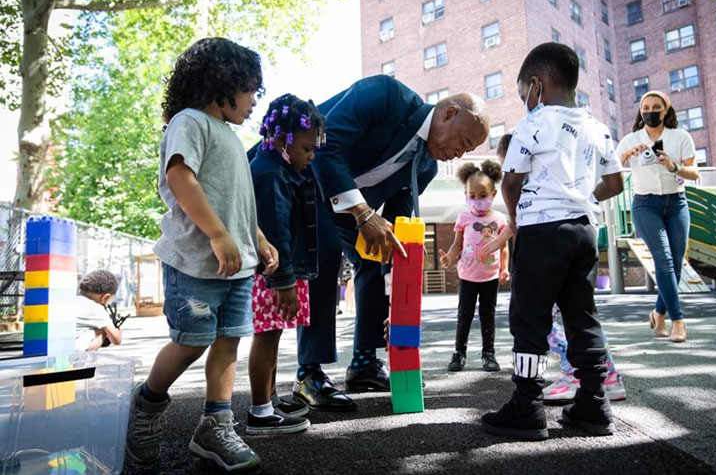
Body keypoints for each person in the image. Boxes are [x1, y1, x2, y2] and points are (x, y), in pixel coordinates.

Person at [287, 75, 489, 412]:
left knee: (376, 259)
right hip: (304, 182)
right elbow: (324, 144)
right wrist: (365, 214)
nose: (458, 153)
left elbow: (394, 230)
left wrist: (398, 295)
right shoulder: (386, 95)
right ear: (449, 113)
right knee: (323, 248)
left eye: (466, 151)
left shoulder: (425, 167)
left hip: (348, 206)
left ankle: (364, 364)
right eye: (462, 142)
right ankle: (309, 374)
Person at [126, 37, 279, 472]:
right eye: (249, 89)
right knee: (191, 343)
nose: (253, 101)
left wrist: (259, 239)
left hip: (236, 265)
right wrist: (216, 233)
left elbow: (237, 203)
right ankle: (148, 403)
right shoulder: (190, 121)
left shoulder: (230, 137)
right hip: (194, 263)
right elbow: (180, 177)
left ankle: (215, 423)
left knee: (229, 341)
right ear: (221, 82)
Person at [481, 43, 624, 441]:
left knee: (530, 319)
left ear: (536, 85)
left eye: (523, 90)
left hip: (542, 231)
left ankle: (527, 404)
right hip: (583, 231)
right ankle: (595, 404)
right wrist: (580, 197)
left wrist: (515, 217)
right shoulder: (599, 127)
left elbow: (510, 181)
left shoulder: (534, 121)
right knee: (582, 314)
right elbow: (614, 183)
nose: (524, 98)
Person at [480, 135, 627, 402]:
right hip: (579, 240)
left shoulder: (532, 189)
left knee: (548, 321)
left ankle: (573, 373)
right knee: (582, 318)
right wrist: (493, 246)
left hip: (547, 256)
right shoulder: (553, 184)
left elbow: (516, 222)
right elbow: (514, 227)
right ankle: (608, 376)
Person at [246, 94, 326, 435]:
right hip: (272, 275)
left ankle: (269, 400)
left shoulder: (274, 166)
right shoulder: (270, 175)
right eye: (307, 149)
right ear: (282, 139)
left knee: (273, 336)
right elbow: (275, 230)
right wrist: (284, 281)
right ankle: (260, 412)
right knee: (266, 336)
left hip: (278, 273)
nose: (311, 156)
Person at [616, 91, 698, 343]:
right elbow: (611, 166)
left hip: (677, 203)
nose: (650, 111)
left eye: (656, 107)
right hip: (645, 205)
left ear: (665, 110)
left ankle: (658, 313)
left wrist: (673, 166)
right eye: (645, 107)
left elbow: (694, 173)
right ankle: (678, 320)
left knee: (675, 263)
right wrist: (628, 154)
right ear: (640, 112)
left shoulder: (680, 137)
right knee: (663, 260)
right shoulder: (631, 139)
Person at [439, 160, 509, 373]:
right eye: (472, 196)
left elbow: (504, 247)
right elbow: (457, 244)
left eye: (482, 195)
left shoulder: (499, 218)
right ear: (466, 195)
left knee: (488, 315)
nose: (477, 200)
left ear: (493, 194)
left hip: (490, 277)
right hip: (468, 276)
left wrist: (504, 268)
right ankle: (459, 353)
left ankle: (489, 354)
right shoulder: (464, 218)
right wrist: (449, 258)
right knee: (465, 315)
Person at [74, 269, 122, 352]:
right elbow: (116, 340)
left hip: (57, 347)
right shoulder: (97, 308)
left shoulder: (71, 301)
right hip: (75, 355)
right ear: (105, 298)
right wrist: (117, 331)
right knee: (102, 331)